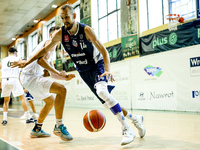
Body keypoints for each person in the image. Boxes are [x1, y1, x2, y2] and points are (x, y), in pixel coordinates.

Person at [11, 4, 145, 145]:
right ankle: (135, 118)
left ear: (74, 16)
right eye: (62, 18)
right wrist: (27, 62)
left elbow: (104, 51)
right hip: (83, 71)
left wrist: (107, 69)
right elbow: (42, 52)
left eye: (67, 17)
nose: (65, 21)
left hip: (96, 65)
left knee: (102, 92)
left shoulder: (86, 30)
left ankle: (127, 129)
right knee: (105, 102)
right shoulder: (60, 34)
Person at [19, 26, 75, 140]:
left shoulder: (52, 48)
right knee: (62, 90)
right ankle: (59, 126)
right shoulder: (48, 43)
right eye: (56, 33)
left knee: (50, 102)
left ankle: (37, 129)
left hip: (29, 78)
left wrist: (63, 77)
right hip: (31, 77)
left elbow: (52, 73)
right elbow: (40, 61)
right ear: (51, 35)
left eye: (60, 33)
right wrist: (58, 73)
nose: (59, 35)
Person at [0, 47, 35, 126]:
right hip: (14, 79)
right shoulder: (17, 59)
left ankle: (4, 119)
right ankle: (28, 117)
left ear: (9, 53)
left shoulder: (3, 60)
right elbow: (23, 67)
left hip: (4, 80)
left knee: (6, 100)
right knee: (22, 97)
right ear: (15, 53)